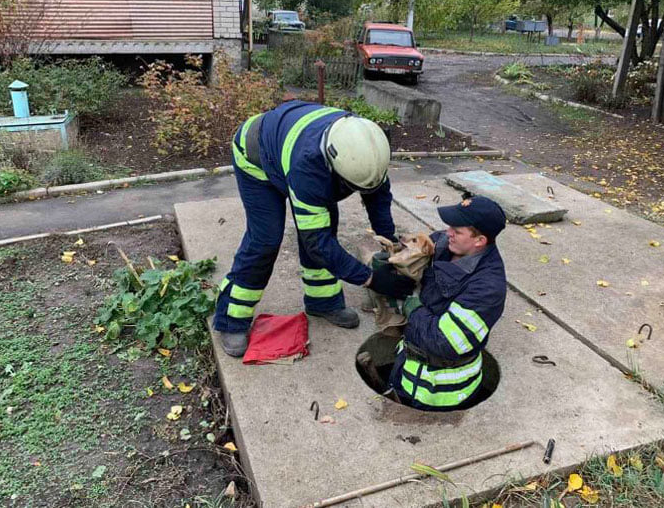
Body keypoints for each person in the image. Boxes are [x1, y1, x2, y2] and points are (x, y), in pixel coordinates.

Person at [213, 100, 415, 357]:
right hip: (256, 157)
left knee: (324, 225)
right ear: (332, 166)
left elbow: (377, 197)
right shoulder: (308, 167)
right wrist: (372, 279)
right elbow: (317, 243)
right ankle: (232, 319)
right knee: (265, 239)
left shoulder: (368, 148)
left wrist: (390, 245)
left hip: (289, 144)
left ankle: (323, 302)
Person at [387, 196, 507, 411]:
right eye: (450, 225)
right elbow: (415, 251)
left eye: (457, 231)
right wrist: (391, 263)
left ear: (479, 241)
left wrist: (412, 308)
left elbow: (446, 343)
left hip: (441, 391)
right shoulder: (445, 243)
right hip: (406, 365)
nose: (447, 232)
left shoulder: (488, 288)